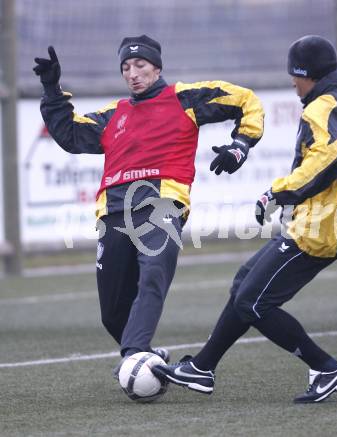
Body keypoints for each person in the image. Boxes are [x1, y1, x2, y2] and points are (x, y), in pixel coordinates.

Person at [151, 35, 337, 403]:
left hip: (320, 229)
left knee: (254, 302)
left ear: (307, 74)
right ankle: (202, 368)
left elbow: (324, 163)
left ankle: (327, 368)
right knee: (245, 283)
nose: (292, 83)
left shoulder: (320, 108)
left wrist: (276, 192)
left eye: (294, 76)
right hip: (334, 223)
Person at [33, 35, 264, 376]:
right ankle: (147, 357)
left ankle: (137, 356)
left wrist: (240, 145)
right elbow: (69, 134)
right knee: (112, 313)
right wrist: (52, 90)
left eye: (140, 65)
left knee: (153, 274)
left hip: (161, 204)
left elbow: (247, 101)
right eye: (126, 67)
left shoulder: (185, 98)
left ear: (157, 67)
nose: (132, 73)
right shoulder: (115, 114)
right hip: (113, 213)